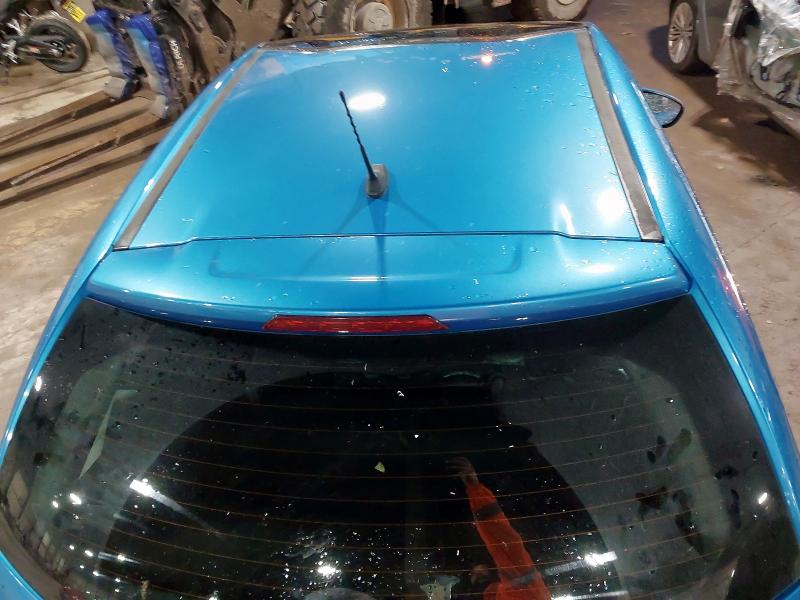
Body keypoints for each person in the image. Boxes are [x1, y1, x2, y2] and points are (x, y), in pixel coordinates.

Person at [448, 458, 550, 600]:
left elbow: (504, 539)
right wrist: (476, 490)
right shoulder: (522, 586)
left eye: (474, 573)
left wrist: (476, 490)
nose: (476, 573)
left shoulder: (523, 586)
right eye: (475, 574)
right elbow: (504, 539)